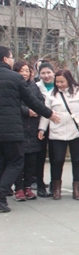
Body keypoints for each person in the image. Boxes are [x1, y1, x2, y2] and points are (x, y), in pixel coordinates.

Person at [1, 48, 59, 212]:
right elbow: (32, 100)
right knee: (16, 162)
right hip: (11, 129)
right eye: (11, 57)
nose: (13, 60)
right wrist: (49, 113)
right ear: (5, 59)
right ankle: (1, 194)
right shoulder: (15, 78)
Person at [38, 69, 79, 200]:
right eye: (57, 82)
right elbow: (46, 113)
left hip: (77, 131)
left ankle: (76, 189)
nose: (59, 84)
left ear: (69, 80)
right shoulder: (51, 94)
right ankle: (56, 188)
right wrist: (42, 129)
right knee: (57, 160)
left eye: (62, 81)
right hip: (57, 131)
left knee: (77, 160)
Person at [12, 62, 45, 202]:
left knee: (31, 161)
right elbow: (13, 105)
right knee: (19, 161)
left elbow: (40, 102)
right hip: (19, 127)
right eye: (22, 71)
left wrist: (37, 111)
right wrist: (26, 111)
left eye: (27, 71)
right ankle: (18, 188)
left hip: (33, 128)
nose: (25, 73)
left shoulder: (34, 86)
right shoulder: (14, 85)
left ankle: (28, 187)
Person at [35, 62, 56, 198]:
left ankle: (54, 184)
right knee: (40, 156)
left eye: (49, 72)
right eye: (43, 73)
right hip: (40, 125)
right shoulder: (35, 87)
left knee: (55, 156)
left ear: (53, 72)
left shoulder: (60, 85)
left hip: (57, 124)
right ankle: (40, 184)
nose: (46, 75)